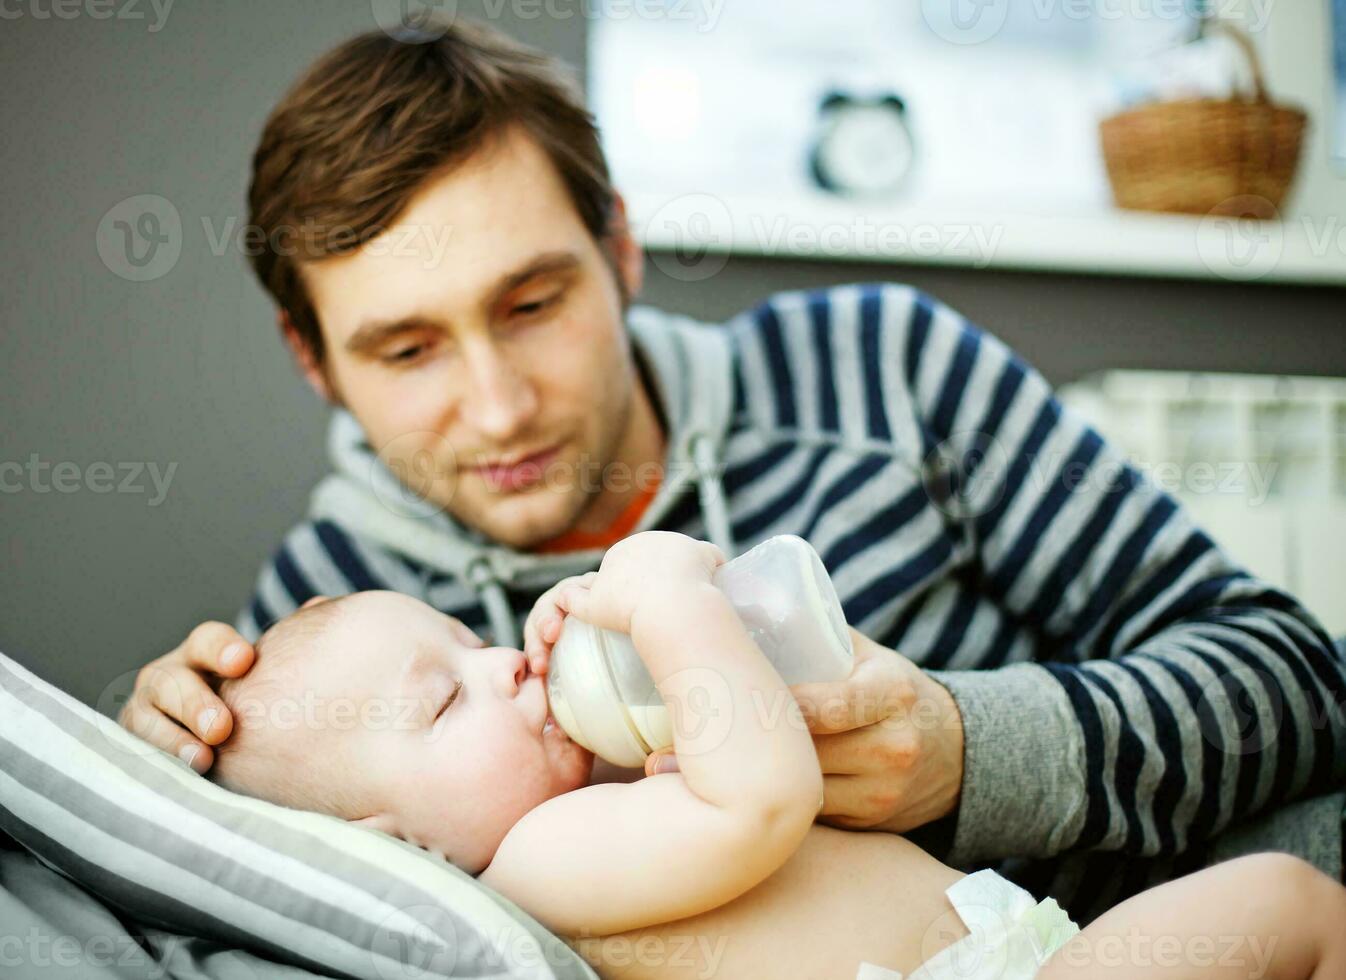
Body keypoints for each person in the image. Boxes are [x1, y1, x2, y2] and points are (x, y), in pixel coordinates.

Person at [119, 17, 1346, 923]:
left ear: (620, 251)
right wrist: (156, 786)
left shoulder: (882, 368)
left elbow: (1295, 677)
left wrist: (966, 746)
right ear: (315, 360)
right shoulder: (320, 610)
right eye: (405, 348)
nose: (495, 405)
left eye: (532, 302)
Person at [208, 532, 1346, 980]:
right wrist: (663, 597)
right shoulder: (538, 864)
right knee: (1288, 907)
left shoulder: (587, 805)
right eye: (446, 698)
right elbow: (762, 797)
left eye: (473, 640)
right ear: (394, 846)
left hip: (1020, 956)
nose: (504, 665)